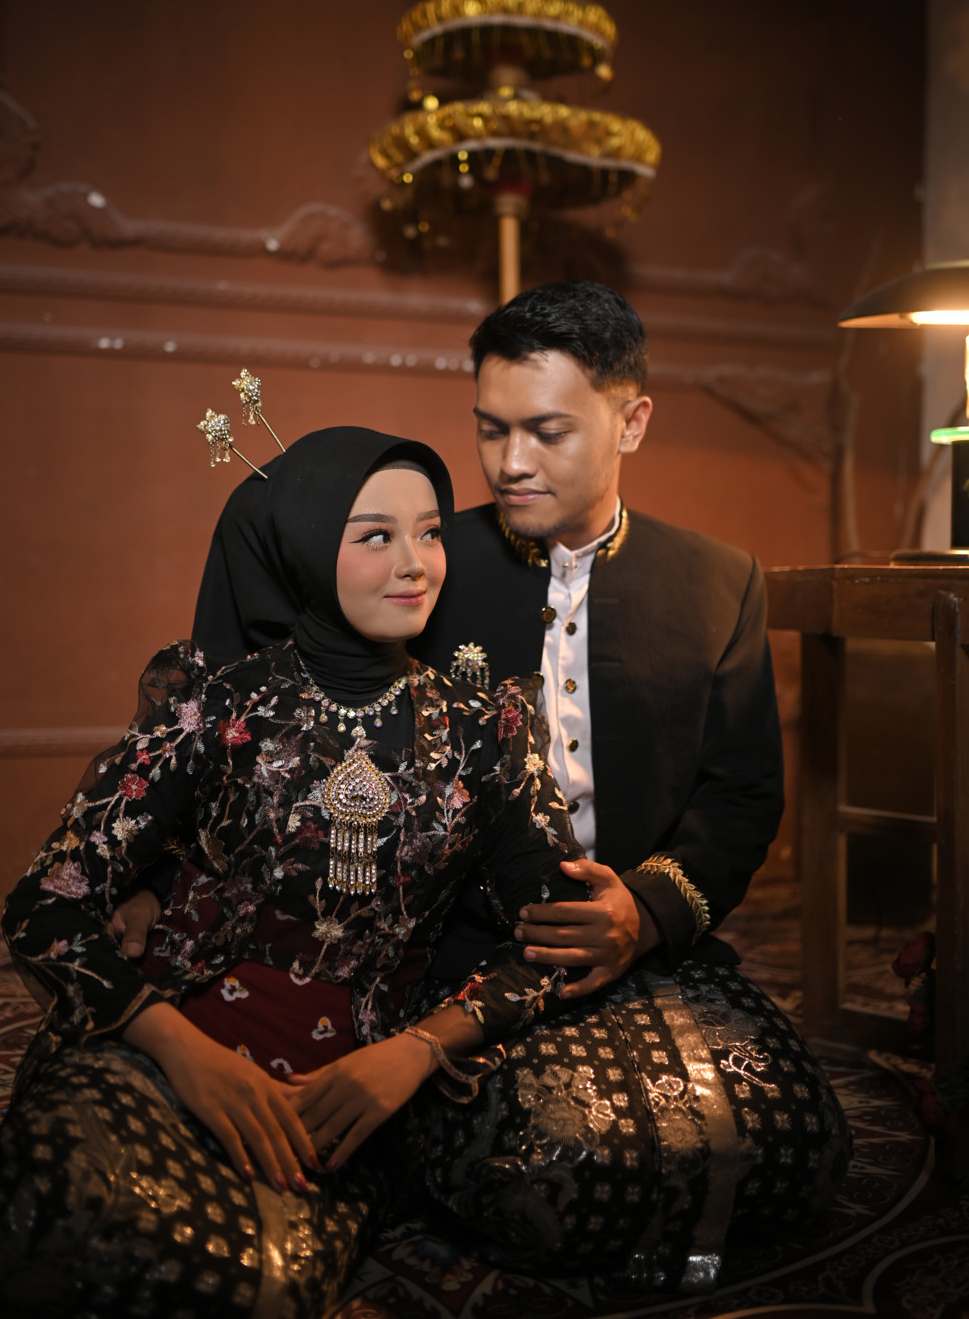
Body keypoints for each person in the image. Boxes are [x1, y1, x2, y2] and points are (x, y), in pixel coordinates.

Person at [158, 282, 851, 1293]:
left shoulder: (717, 582)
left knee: (797, 1142)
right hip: (457, 952)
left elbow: (740, 796)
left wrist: (643, 912)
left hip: (646, 945)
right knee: (542, 1168)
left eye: (547, 431)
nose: (511, 460)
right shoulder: (423, 566)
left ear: (631, 422)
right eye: (491, 429)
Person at [0, 428, 590, 1319]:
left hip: (346, 1100)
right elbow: (44, 904)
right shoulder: (219, 705)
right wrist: (180, 1051)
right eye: (375, 535)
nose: (416, 564)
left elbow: (558, 933)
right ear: (306, 548)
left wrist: (418, 1050)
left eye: (430, 532)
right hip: (167, 1046)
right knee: (48, 1203)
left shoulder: (485, 728)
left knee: (253, 1283)